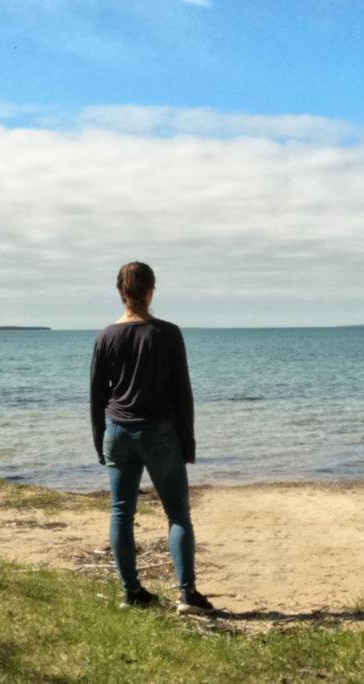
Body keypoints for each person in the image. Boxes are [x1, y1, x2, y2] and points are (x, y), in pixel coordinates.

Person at [89, 261, 214, 615]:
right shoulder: (167, 333)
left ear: (120, 293)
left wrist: (100, 441)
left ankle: (131, 592)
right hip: (160, 432)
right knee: (177, 514)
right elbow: (182, 393)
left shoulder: (105, 337)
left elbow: (97, 396)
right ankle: (187, 595)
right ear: (150, 291)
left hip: (118, 432)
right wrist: (188, 442)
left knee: (121, 513)